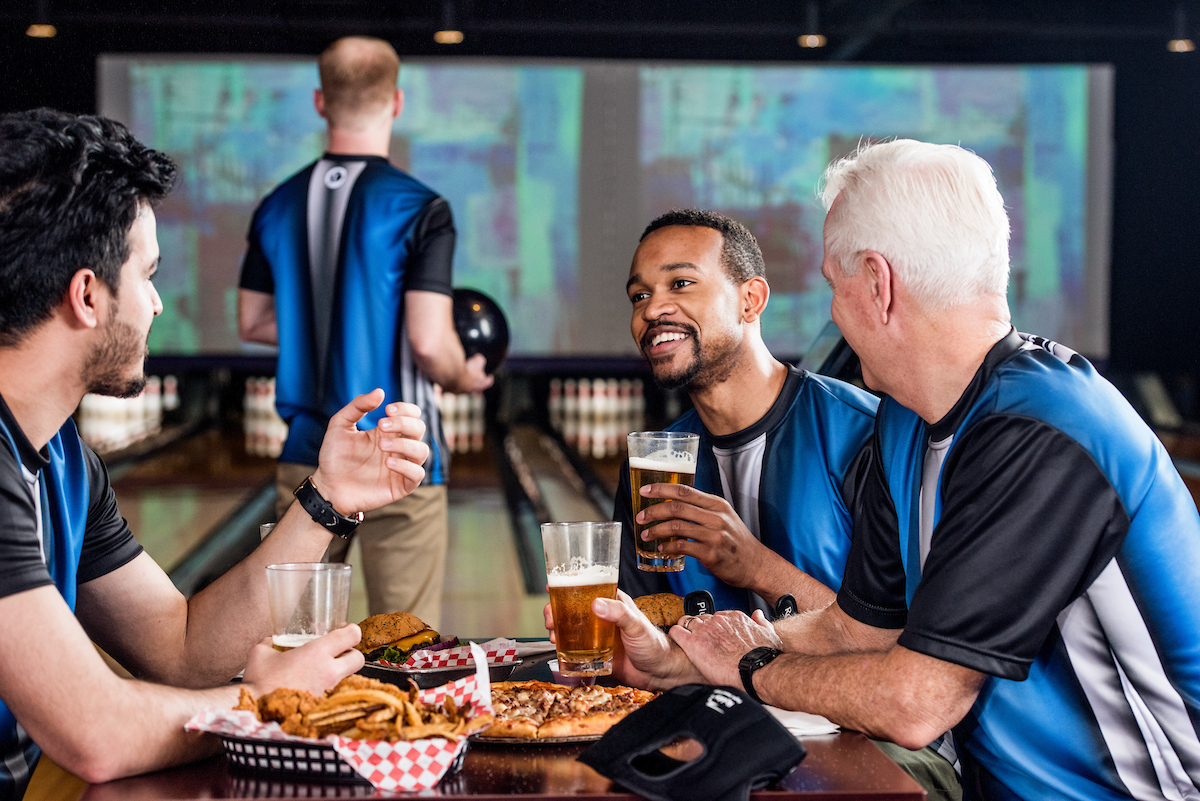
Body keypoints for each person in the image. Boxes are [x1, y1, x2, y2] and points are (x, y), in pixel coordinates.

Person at [582, 140, 1200, 801]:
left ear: (877, 283)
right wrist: (681, 659)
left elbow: (916, 703)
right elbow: (852, 627)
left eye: (832, 283)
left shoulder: (1043, 430)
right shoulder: (905, 422)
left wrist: (751, 664)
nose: (830, 312)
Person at [0, 109, 432, 797]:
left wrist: (329, 499)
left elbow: (182, 648)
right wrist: (259, 702)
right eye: (148, 276)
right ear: (87, 295)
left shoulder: (63, 459)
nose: (159, 304)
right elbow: (94, 730)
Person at [237, 36, 492, 630]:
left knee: (295, 646)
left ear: (320, 101)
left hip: (305, 455)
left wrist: (313, 328)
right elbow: (430, 342)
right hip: (402, 455)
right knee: (402, 648)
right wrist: (466, 375)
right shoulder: (420, 207)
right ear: (397, 102)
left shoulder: (275, 205)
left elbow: (252, 321)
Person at [617, 209, 878, 615]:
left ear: (750, 300)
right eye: (640, 295)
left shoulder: (863, 434)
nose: (652, 310)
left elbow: (899, 644)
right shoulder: (652, 465)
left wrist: (756, 567)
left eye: (681, 283)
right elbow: (644, 638)